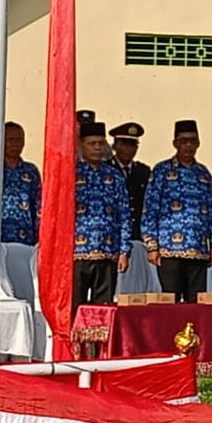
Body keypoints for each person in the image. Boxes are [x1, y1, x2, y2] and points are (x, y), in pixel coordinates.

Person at [143, 119, 212, 302]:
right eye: (183, 141)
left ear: (198, 143)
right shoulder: (162, 170)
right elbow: (150, 208)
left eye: (192, 141)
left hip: (198, 249)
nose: (188, 145)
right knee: (171, 302)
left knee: (196, 304)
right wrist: (152, 246)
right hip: (169, 250)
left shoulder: (203, 173)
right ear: (175, 143)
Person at [73, 121, 130, 305]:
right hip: (77, 252)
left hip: (108, 252)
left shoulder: (114, 176)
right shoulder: (72, 174)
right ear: (81, 145)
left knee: (103, 307)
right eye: (92, 143)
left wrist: (124, 251)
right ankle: (75, 335)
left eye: (100, 143)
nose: (97, 148)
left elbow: (124, 214)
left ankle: (99, 335)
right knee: (75, 304)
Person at [111, 121, 149, 243]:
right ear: (114, 146)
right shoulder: (107, 170)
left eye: (132, 145)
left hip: (138, 236)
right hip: (114, 235)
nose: (128, 149)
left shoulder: (144, 171)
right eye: (124, 144)